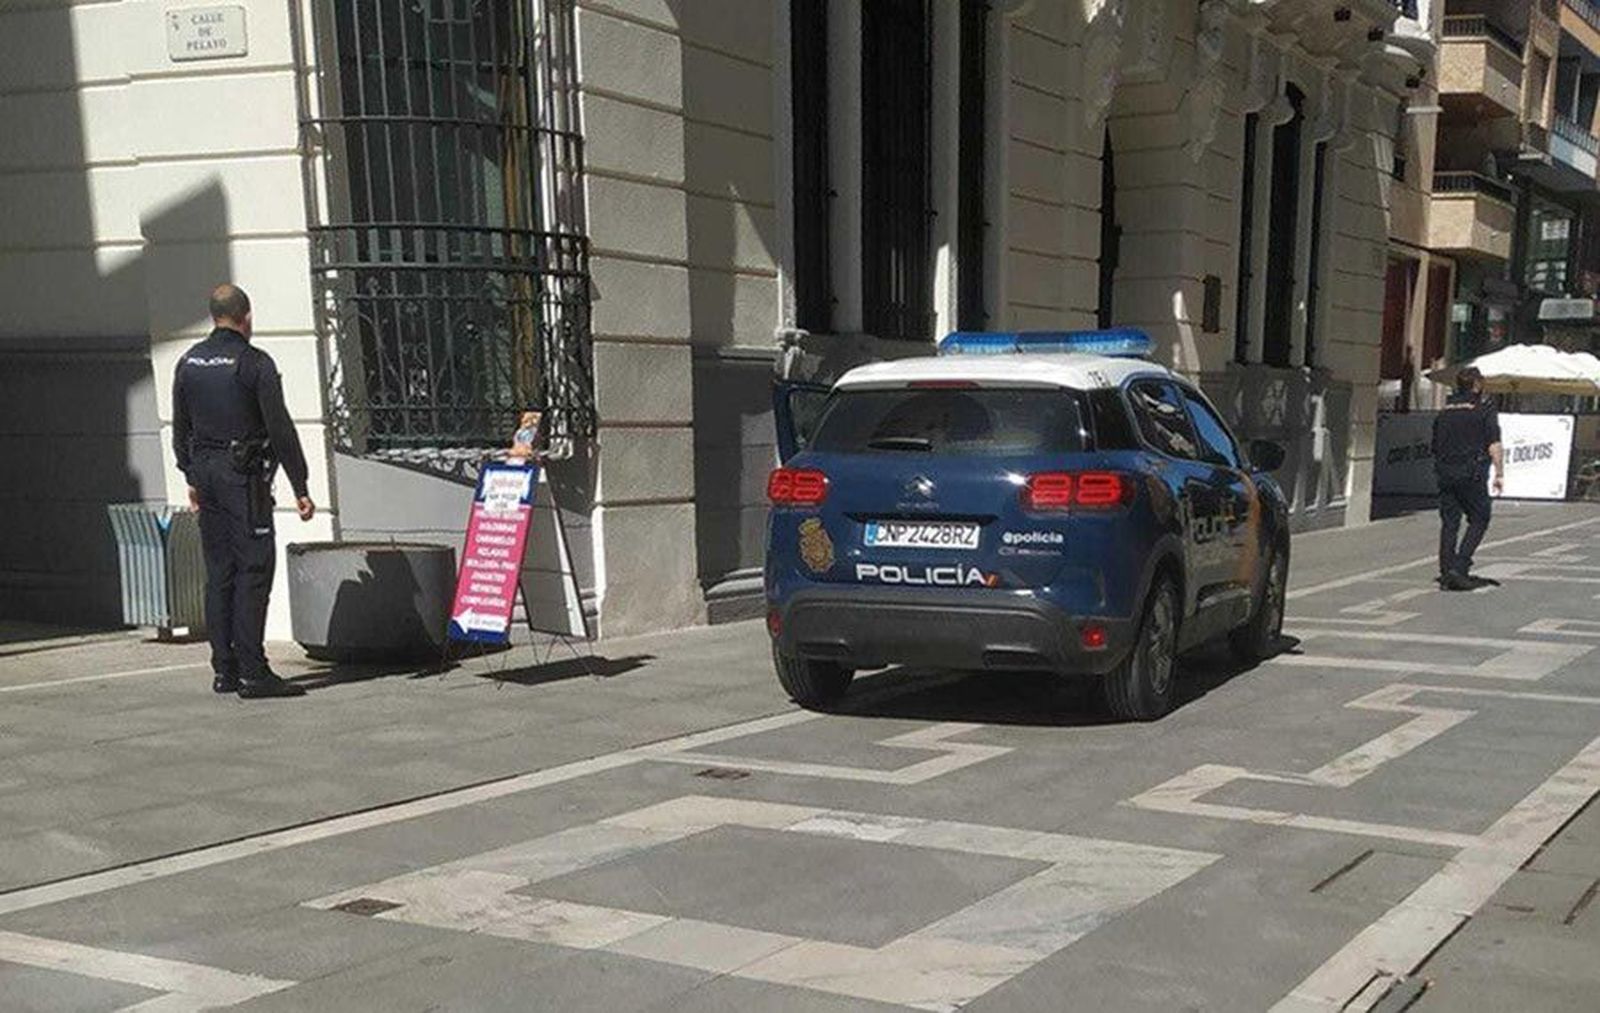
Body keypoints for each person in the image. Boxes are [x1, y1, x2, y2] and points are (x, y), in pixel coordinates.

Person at [172, 285, 316, 697]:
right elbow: (280, 428)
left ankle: (225, 670)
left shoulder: (189, 362)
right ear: (246, 317)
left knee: (219, 573)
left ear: (213, 315)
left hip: (207, 475)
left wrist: (192, 476)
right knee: (253, 570)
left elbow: (181, 429)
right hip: (243, 478)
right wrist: (300, 485)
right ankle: (254, 671)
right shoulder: (254, 364)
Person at [1432, 366, 1504, 591]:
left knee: (1450, 522)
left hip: (1445, 471)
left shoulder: (1445, 411)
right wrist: (1499, 473)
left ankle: (1446, 571)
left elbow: (1434, 445)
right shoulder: (1483, 410)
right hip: (1471, 471)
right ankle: (1460, 566)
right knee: (1480, 517)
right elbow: (1494, 445)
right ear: (1476, 385)